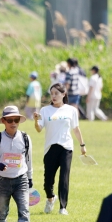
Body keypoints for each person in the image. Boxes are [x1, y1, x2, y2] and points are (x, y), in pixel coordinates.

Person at [34, 84, 87, 215]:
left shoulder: (71, 110)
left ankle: (63, 207)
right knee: (48, 181)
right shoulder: (45, 110)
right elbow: (39, 129)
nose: (53, 96)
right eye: (51, 93)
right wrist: (36, 121)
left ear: (64, 94)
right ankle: (50, 198)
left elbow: (76, 128)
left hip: (66, 147)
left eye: (56, 93)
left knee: (64, 177)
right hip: (50, 148)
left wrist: (82, 145)